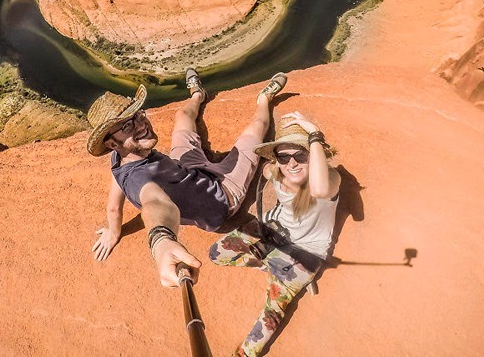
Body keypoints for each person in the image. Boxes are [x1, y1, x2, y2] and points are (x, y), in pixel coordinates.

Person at [87, 69, 287, 287]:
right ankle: (264, 98)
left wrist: (114, 232)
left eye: (138, 115)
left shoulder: (119, 157)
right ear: (112, 143)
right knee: (256, 130)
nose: (142, 124)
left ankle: (197, 94)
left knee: (183, 116)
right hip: (221, 194)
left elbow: (114, 208)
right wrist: (161, 241)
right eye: (127, 125)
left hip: (185, 168)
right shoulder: (141, 179)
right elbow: (155, 204)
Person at [209, 112, 340, 357]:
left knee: (269, 317)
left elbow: (321, 187)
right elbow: (267, 167)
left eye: (300, 155)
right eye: (284, 156)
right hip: (272, 233)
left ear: (314, 155)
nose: (292, 163)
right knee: (217, 254)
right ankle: (272, 268)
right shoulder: (276, 172)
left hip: (303, 255)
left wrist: (313, 132)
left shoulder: (328, 181)